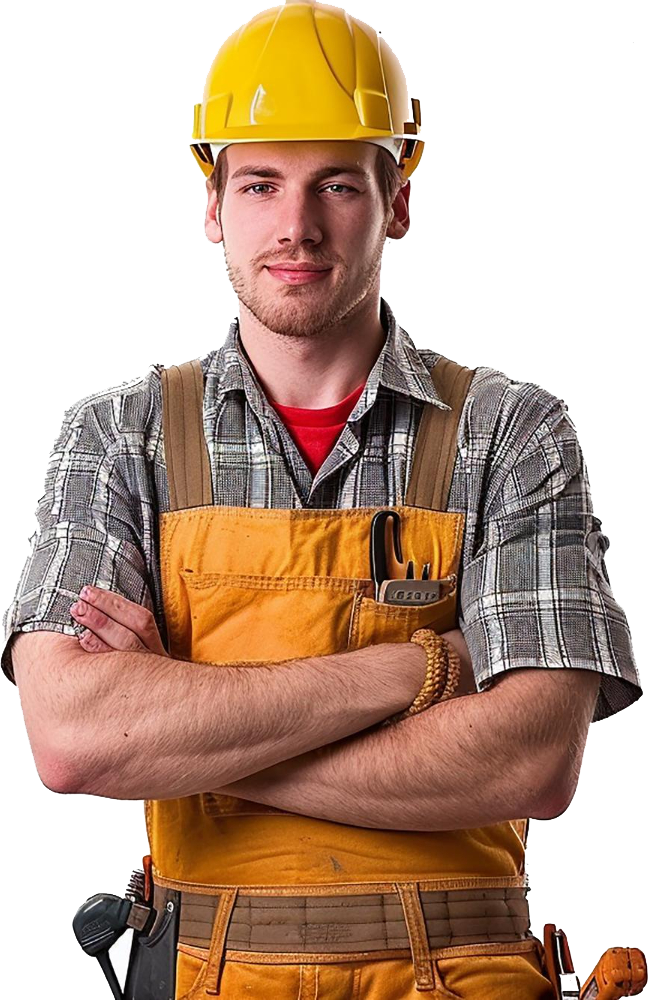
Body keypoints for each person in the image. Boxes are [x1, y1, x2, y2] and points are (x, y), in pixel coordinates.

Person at [1, 2, 642, 997]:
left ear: (395, 201)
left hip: (460, 978)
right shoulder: (117, 438)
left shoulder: (510, 434)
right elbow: (74, 736)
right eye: (259, 183)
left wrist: (182, 732)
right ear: (213, 205)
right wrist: (416, 668)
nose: (294, 226)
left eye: (336, 183)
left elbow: (532, 759)